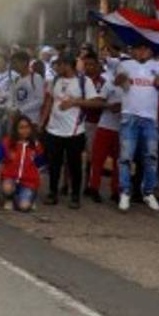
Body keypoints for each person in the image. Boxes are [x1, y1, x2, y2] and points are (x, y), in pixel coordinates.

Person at [41, 51, 103, 208]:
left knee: (75, 165)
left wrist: (75, 102)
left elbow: (96, 103)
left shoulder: (84, 81)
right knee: (54, 164)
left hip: (74, 132)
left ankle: (75, 196)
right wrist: (42, 123)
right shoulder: (54, 80)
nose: (56, 68)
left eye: (59, 65)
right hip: (53, 130)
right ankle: (52, 192)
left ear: (68, 65)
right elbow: (49, 101)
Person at [116, 41, 159, 212]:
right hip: (129, 116)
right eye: (138, 47)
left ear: (151, 50)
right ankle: (125, 192)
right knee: (126, 156)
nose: (142, 51)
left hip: (150, 118)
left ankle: (148, 192)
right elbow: (118, 82)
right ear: (133, 49)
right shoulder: (125, 64)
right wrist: (121, 79)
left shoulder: (158, 66)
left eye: (145, 48)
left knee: (151, 156)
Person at [0, 114, 46, 211]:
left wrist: (37, 178)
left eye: (27, 127)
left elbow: (40, 165)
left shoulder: (36, 145)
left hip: (29, 183)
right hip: (10, 180)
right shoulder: (7, 143)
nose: (25, 130)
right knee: (7, 187)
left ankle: (26, 199)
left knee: (24, 208)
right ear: (15, 129)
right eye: (21, 127)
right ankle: (9, 199)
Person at [86, 56, 125, 203]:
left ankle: (115, 190)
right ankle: (94, 188)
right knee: (98, 159)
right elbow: (99, 102)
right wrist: (110, 106)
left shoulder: (131, 88)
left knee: (119, 162)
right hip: (105, 126)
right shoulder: (109, 85)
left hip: (121, 128)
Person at [8, 50, 46, 131]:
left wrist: (21, 110)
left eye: (15, 63)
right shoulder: (16, 79)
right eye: (12, 63)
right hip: (18, 120)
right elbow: (13, 98)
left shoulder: (36, 77)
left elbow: (40, 100)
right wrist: (11, 109)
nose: (13, 66)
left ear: (25, 62)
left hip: (31, 121)